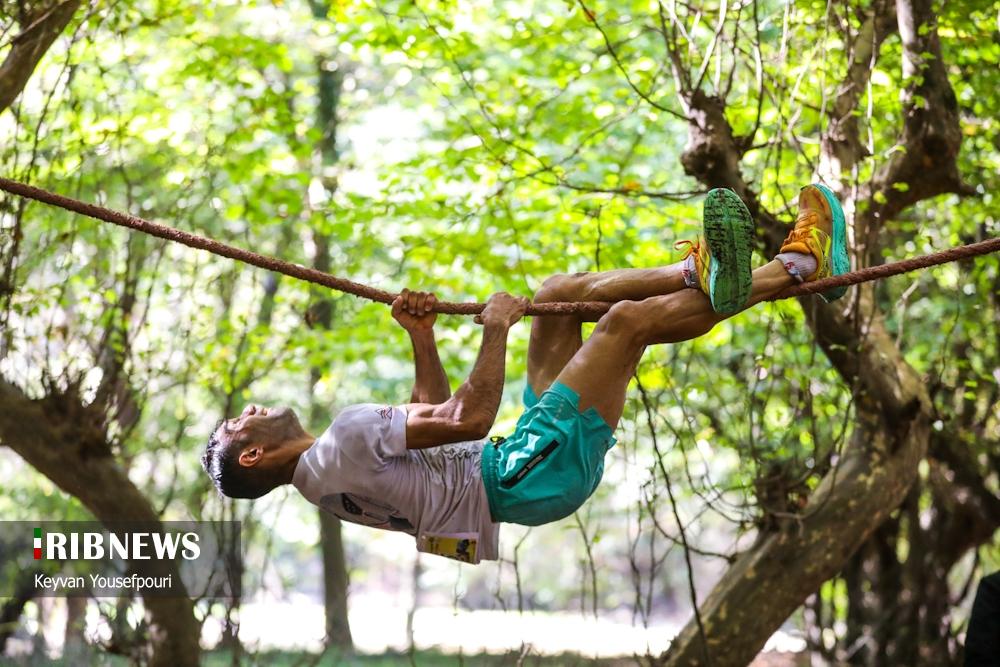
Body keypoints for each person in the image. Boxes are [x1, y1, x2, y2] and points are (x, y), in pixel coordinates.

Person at [203, 185, 849, 563]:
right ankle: (797, 266)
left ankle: (698, 275)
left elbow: (433, 434)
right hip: (521, 471)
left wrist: (422, 339)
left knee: (559, 292)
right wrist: (495, 325)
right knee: (624, 324)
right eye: (240, 424)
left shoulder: (325, 483)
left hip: (520, 473)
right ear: (255, 454)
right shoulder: (337, 441)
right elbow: (469, 419)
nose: (251, 407)